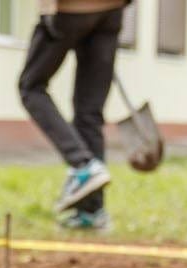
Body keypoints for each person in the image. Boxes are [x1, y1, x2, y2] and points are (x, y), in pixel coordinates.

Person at [18, 0, 128, 231]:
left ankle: (83, 165)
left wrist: (48, 7)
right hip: (111, 10)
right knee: (90, 112)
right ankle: (92, 211)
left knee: (31, 87)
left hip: (69, 9)